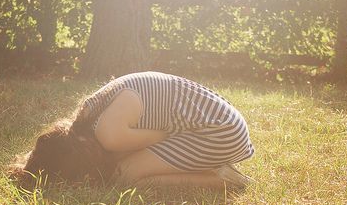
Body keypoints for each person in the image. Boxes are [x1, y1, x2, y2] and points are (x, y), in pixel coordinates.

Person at [18, 71, 254, 188]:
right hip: (219, 125)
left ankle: (221, 179)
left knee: (126, 175)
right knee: (128, 165)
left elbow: (160, 137)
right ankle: (209, 164)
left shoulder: (108, 135)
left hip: (217, 133)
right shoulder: (92, 115)